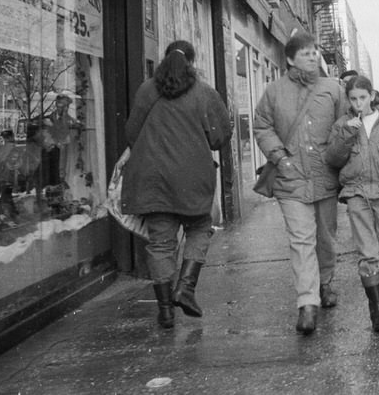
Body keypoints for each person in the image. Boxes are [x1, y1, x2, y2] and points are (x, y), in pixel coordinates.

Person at [122, 40, 232, 329]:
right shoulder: (204, 92)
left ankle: (165, 311)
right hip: (192, 178)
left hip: (153, 180)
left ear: (165, 59)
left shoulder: (146, 90)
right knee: (199, 228)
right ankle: (185, 287)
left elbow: (131, 132)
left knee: (161, 242)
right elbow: (221, 137)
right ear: (191, 63)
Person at [253, 33, 350, 334]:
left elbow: (345, 124)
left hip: (325, 176)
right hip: (289, 178)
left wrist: (338, 151)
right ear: (291, 58)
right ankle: (307, 303)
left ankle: (326, 281)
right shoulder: (273, 91)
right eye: (306, 53)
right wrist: (279, 157)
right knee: (300, 239)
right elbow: (262, 125)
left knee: (326, 238)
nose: (312, 56)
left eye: (314, 52)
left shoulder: (333, 88)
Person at [325, 76, 379, 333]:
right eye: (353, 98)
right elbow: (334, 159)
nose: (359, 103)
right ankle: (377, 311)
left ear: (372, 96)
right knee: (367, 254)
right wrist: (348, 131)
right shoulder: (341, 124)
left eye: (363, 97)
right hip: (357, 192)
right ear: (348, 100)